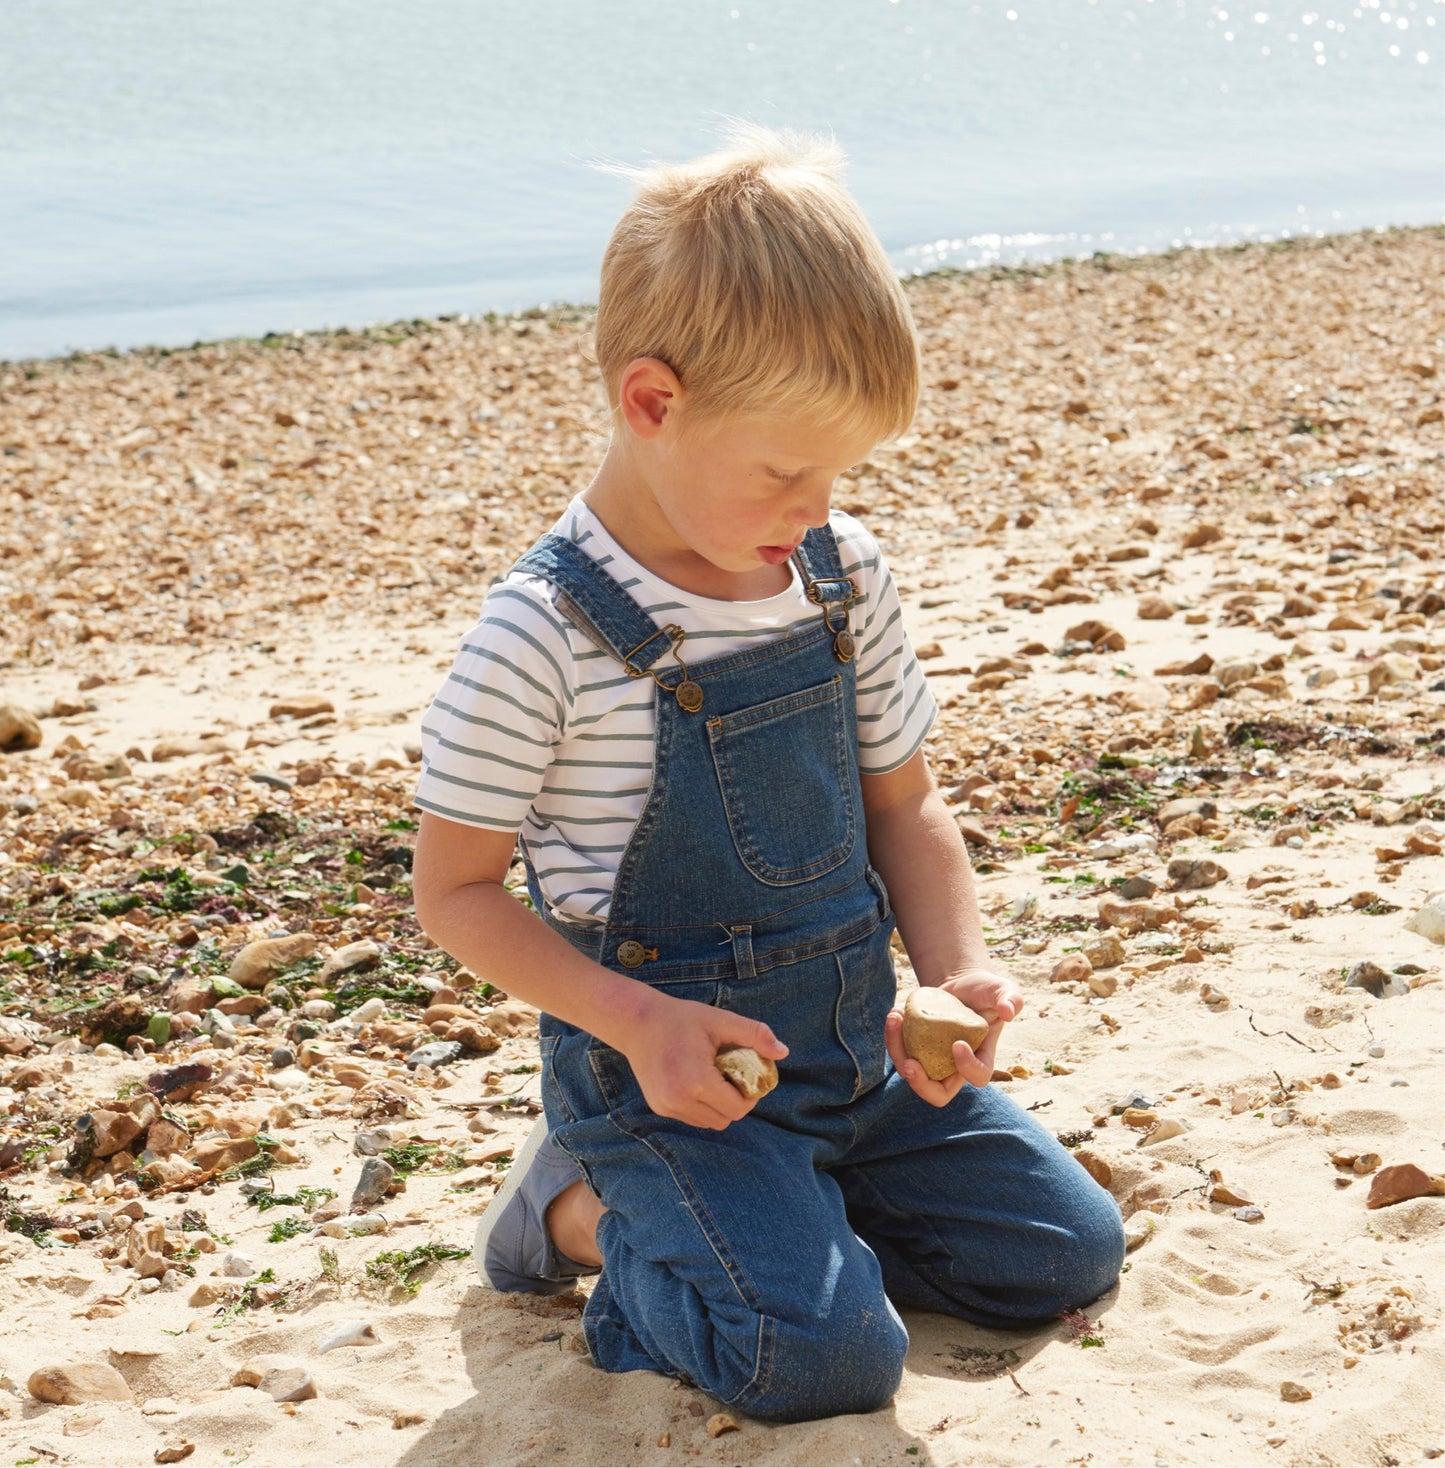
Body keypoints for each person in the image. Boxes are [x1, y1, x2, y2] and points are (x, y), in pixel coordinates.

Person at [411, 125, 1124, 1425]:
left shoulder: (838, 573)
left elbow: (906, 807)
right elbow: (453, 895)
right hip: (675, 1083)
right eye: (786, 467)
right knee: (823, 1361)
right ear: (651, 402)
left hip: (858, 1060)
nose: (816, 501)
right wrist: (634, 1024)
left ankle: (774, 1218)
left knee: (1060, 1255)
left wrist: (950, 974)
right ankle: (574, 1211)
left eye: (840, 467)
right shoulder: (545, 633)